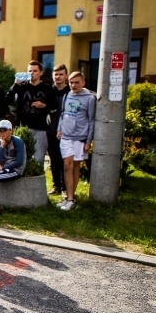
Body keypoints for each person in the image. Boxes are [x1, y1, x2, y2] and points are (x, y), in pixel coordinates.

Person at [56, 71, 95, 211]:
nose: (73, 85)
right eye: (71, 82)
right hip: (66, 136)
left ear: (83, 82)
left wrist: (88, 141)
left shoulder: (90, 98)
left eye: (76, 82)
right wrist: (59, 128)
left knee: (75, 166)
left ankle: (71, 198)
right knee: (67, 165)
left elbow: (91, 121)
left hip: (80, 137)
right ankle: (68, 197)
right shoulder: (68, 94)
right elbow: (63, 113)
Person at [6, 60, 56, 163]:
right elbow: (8, 101)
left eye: (35, 71)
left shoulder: (47, 89)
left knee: (38, 159)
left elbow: (54, 107)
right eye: (29, 71)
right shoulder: (21, 87)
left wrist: (44, 106)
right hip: (23, 127)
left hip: (40, 129)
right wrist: (15, 85)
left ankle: (36, 178)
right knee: (21, 158)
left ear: (41, 72)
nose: (32, 73)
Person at [47, 64, 70, 195]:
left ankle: (66, 188)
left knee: (66, 161)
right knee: (54, 160)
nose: (58, 77)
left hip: (67, 132)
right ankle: (57, 186)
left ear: (66, 76)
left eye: (61, 74)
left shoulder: (70, 92)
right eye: (56, 74)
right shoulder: (49, 91)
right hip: (51, 130)